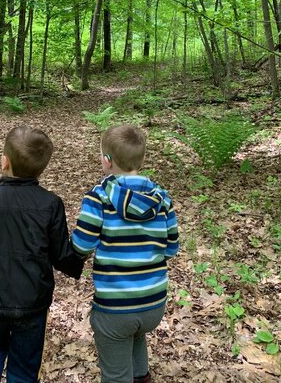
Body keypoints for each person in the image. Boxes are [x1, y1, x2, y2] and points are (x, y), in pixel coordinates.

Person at [0, 126, 83, 383]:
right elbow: (61, 255)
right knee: (23, 365)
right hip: (31, 302)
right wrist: (83, 252)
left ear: (4, 161)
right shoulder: (50, 204)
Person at [71, 124, 179, 383]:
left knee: (116, 372)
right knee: (136, 332)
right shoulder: (162, 198)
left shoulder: (98, 199)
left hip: (115, 308)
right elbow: (171, 247)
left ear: (107, 161)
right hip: (153, 304)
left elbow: (82, 246)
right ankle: (141, 376)